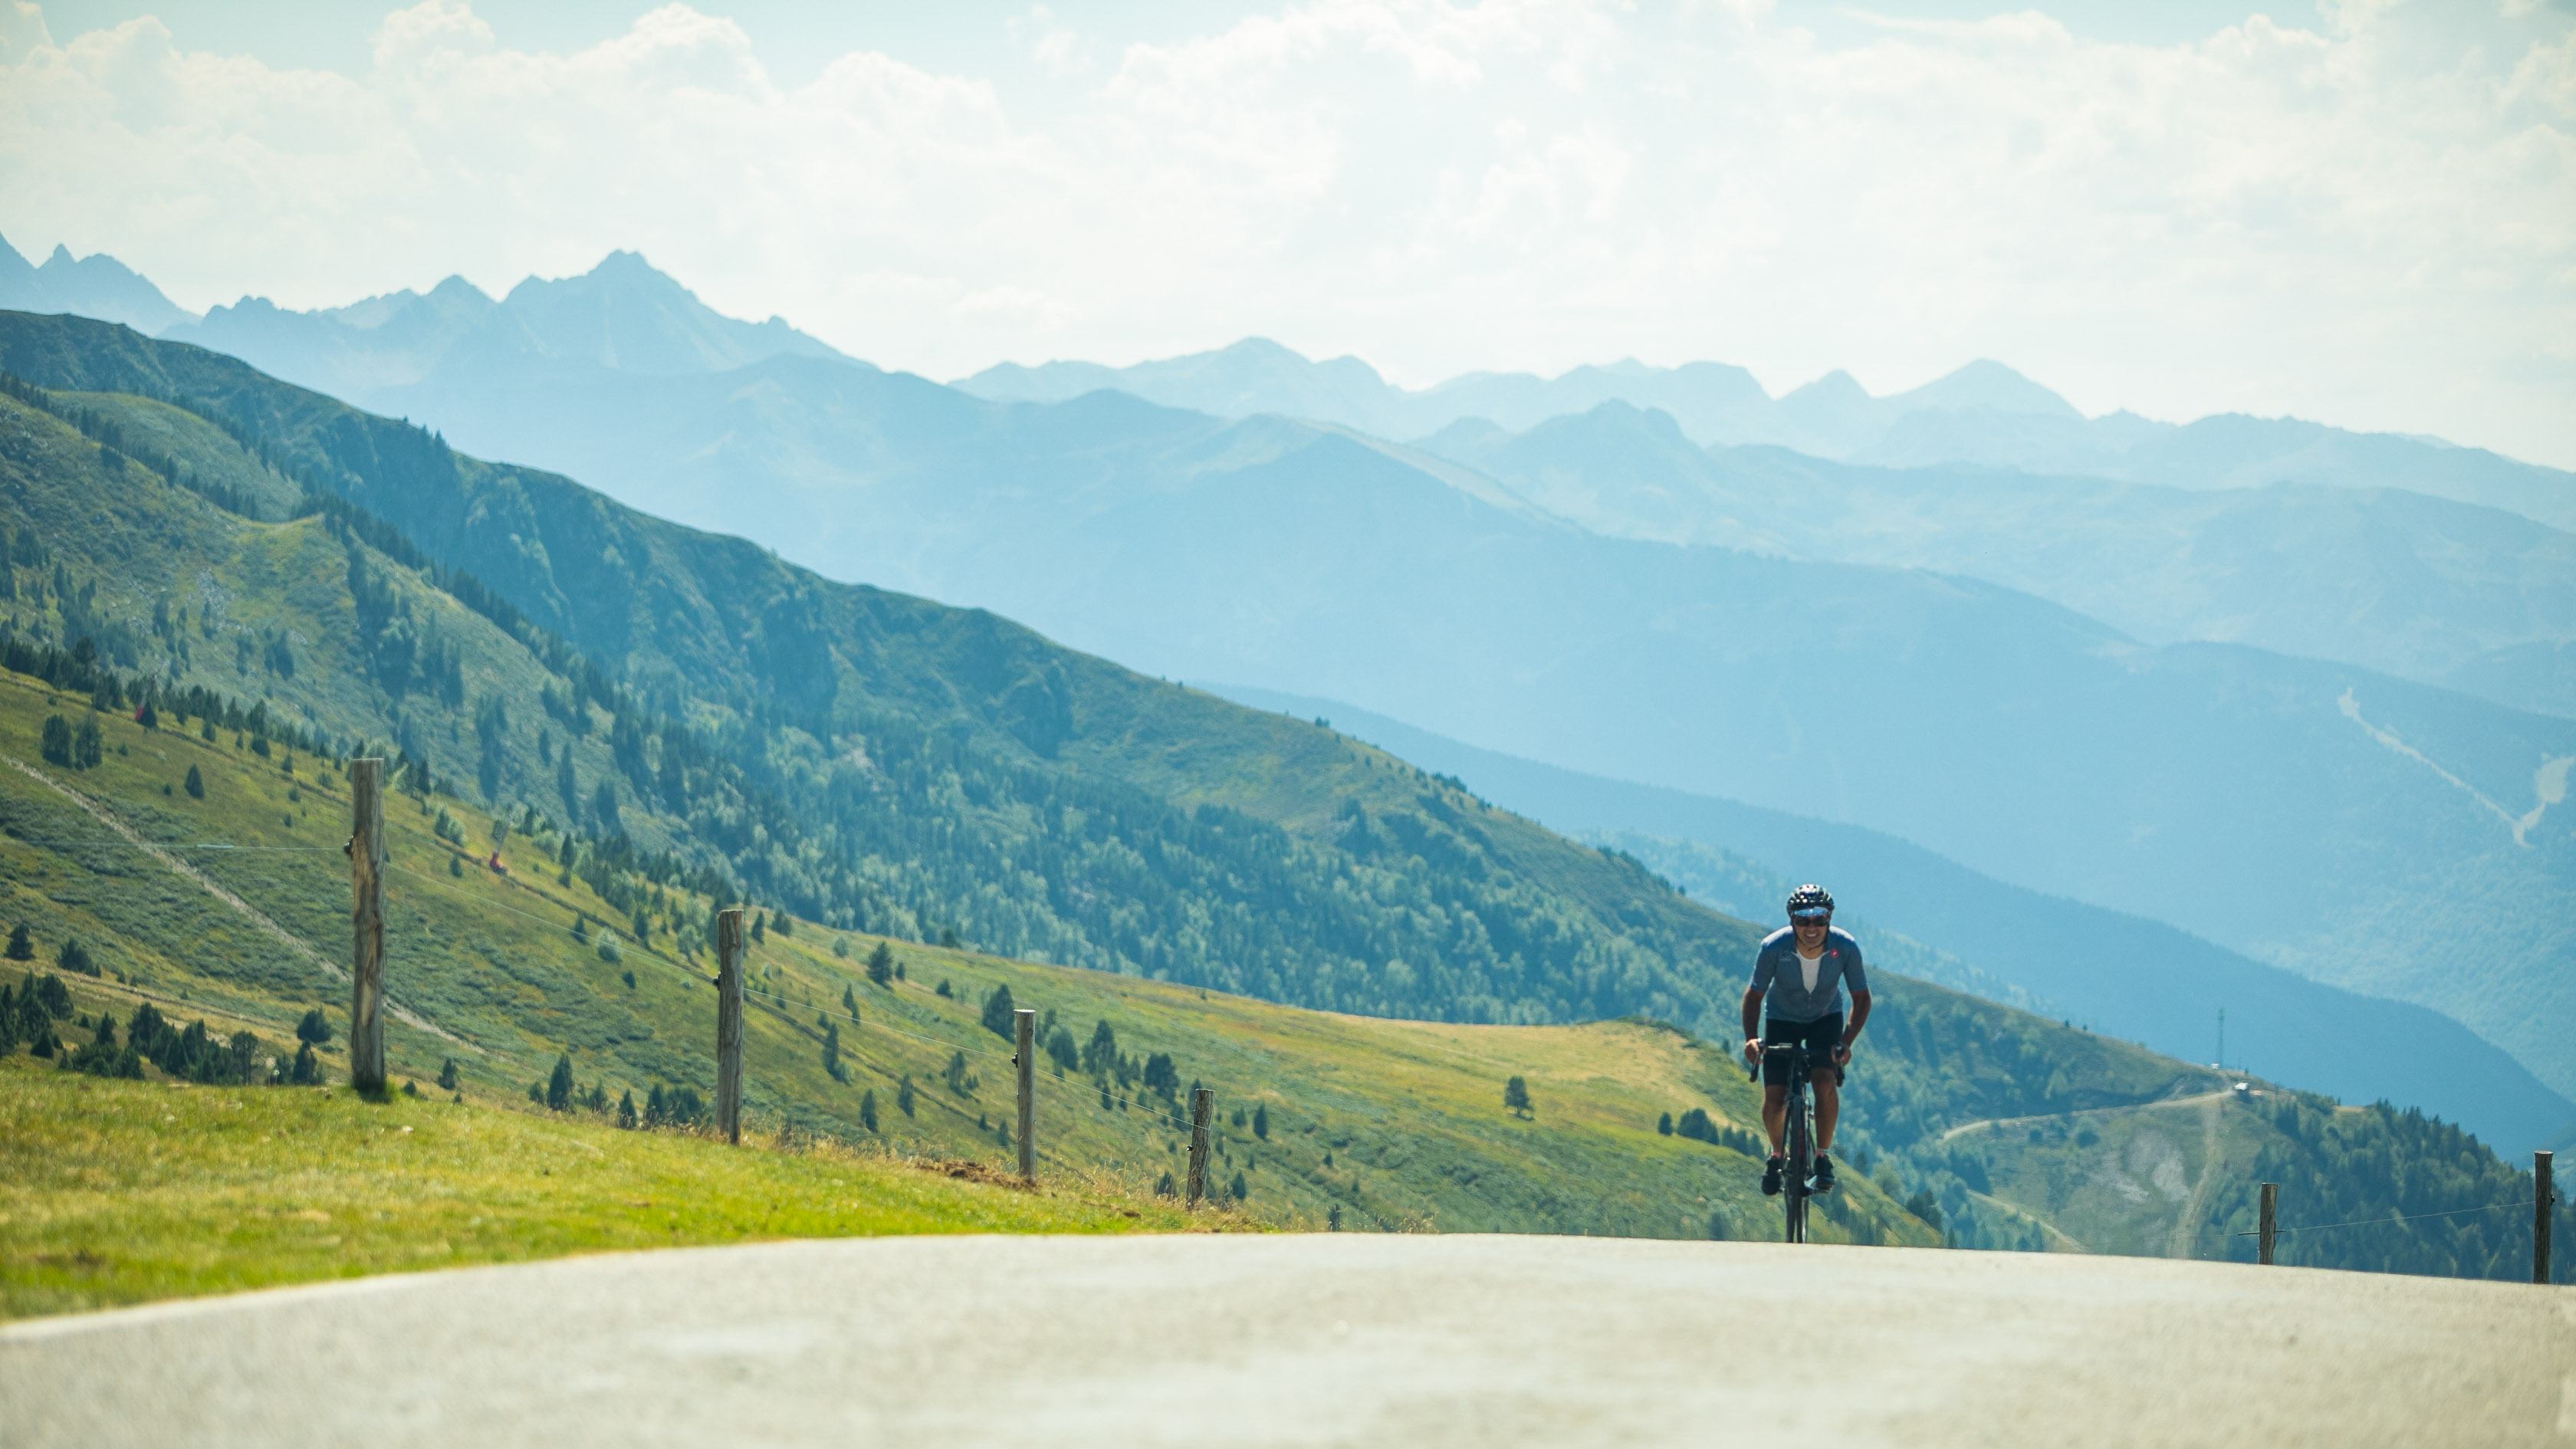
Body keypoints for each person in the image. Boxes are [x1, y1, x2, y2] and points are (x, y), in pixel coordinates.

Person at [1741, 884, 1871, 1196]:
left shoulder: (1846, 947)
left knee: (1824, 1081)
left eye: (1819, 918)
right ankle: (1776, 1155)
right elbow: (1753, 996)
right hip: (1782, 1019)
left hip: (1825, 1020)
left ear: (1829, 918)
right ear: (1792, 920)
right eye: (1803, 919)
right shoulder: (1773, 948)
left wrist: (1845, 1043)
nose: (1811, 927)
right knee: (1774, 1097)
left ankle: (1822, 1156)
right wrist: (1751, 1039)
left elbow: (1862, 999)